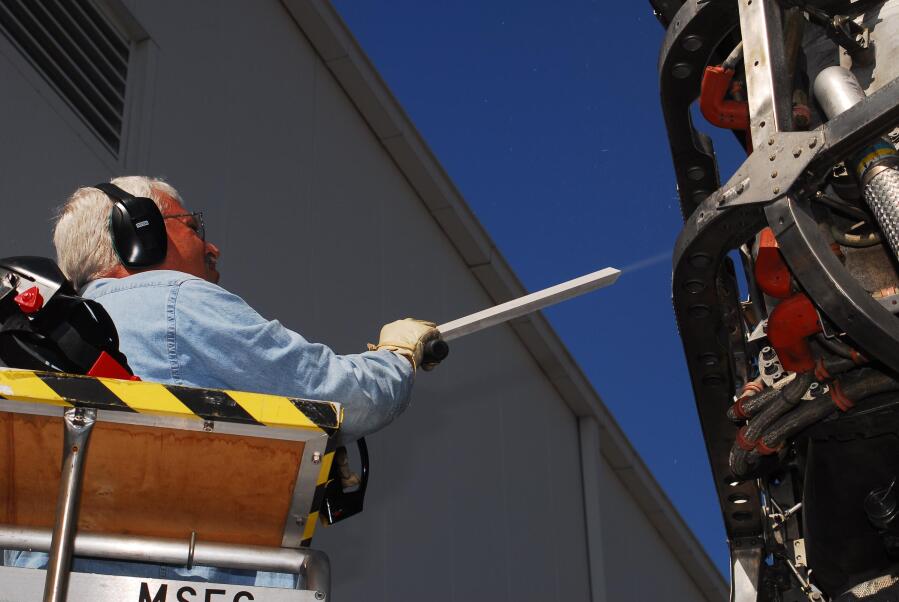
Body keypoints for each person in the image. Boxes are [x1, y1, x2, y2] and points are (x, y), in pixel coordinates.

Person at [5, 175, 440, 587]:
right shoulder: (175, 300)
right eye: (191, 226)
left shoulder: (31, 346)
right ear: (139, 234)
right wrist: (397, 357)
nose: (211, 246)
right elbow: (342, 394)